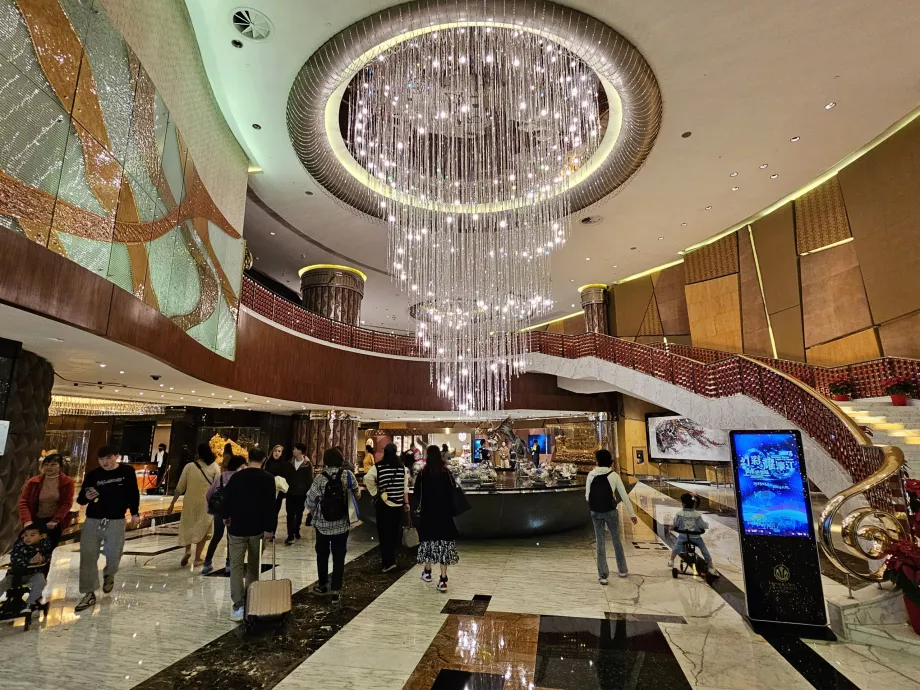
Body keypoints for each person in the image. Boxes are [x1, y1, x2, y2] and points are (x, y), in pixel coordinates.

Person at [74, 445, 140, 612]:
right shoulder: (93, 475)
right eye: (102, 459)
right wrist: (86, 497)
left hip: (116, 520)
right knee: (88, 557)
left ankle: (109, 573)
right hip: (93, 520)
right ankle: (89, 593)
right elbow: (81, 500)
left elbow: (133, 492)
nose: (106, 462)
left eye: (109, 458)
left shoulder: (127, 472)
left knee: (114, 554)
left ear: (116, 457)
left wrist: (135, 513)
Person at [221, 448, 277, 622]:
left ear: (248, 458)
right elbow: (271, 506)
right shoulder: (268, 479)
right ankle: (251, 600)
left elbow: (226, 499)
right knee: (253, 566)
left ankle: (238, 605)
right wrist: (270, 529)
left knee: (236, 567)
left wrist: (225, 516)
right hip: (257, 529)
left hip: (237, 528)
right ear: (264, 459)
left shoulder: (237, 477)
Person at [305, 448, 359, 603]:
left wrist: (316, 509)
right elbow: (357, 494)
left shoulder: (320, 478)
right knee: (339, 556)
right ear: (341, 459)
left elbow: (310, 501)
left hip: (322, 525)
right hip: (342, 524)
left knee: (322, 555)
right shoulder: (348, 475)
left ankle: (322, 585)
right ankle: (336, 590)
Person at [586, 449, 637, 584]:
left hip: (596, 512)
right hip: (610, 511)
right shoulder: (613, 475)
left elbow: (587, 496)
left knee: (600, 542)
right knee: (616, 540)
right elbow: (624, 496)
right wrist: (632, 513)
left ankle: (603, 575)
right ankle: (622, 569)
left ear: (597, 461)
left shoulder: (591, 475)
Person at [414, 445, 459, 593]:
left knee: (428, 542)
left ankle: (427, 573)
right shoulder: (445, 472)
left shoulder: (422, 473)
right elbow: (453, 491)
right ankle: (443, 580)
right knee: (443, 545)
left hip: (428, 514)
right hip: (444, 514)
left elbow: (416, 494)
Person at [167, 443, 220, 567]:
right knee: (203, 528)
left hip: (190, 501)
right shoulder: (215, 467)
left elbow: (180, 487)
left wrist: (172, 504)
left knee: (189, 525)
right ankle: (197, 558)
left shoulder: (189, 466)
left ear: (198, 453)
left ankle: (188, 550)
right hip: (206, 503)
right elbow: (217, 487)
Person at [365, 443, 410, 572]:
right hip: (398, 506)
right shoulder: (402, 468)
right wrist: (406, 503)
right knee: (395, 533)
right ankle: (393, 559)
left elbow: (368, 478)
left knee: (384, 534)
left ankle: (387, 562)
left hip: (384, 506)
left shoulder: (378, 467)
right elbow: (405, 488)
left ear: (385, 452)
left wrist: (375, 492)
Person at [201, 453, 246, 575]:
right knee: (231, 538)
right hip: (234, 512)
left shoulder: (221, 477)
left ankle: (207, 563)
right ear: (239, 466)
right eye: (244, 465)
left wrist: (212, 507)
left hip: (220, 511)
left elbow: (209, 494)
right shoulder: (241, 478)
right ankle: (229, 565)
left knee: (216, 536)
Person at [18, 454, 75, 547]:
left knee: (48, 550)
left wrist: (55, 520)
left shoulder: (67, 482)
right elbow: (23, 502)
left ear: (60, 466)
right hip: (35, 520)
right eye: (46, 464)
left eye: (53, 464)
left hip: (53, 522)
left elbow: (67, 503)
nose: (49, 467)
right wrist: (27, 520)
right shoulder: (33, 482)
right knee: (29, 550)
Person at [0, 525, 52, 613]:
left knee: (41, 582)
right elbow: (15, 559)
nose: (28, 538)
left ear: (41, 536)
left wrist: (42, 559)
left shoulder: (44, 545)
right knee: (2, 584)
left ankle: (29, 603)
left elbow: (47, 557)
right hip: (15, 575)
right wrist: (29, 561)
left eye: (32, 535)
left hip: (33, 574)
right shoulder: (19, 545)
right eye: (26, 535)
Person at [668, 492, 717, 575]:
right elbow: (702, 525)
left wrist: (673, 527)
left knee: (677, 546)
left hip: (683, 536)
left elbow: (676, 523)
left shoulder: (679, 514)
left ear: (683, 504)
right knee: (704, 550)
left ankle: (671, 560)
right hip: (696, 538)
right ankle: (711, 567)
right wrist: (705, 526)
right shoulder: (697, 514)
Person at [285, 443, 314, 545]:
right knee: (290, 514)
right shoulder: (289, 463)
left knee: (299, 513)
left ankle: (296, 529)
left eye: (295, 449)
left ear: (300, 451)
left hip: (301, 494)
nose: (293, 451)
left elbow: (310, 480)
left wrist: (309, 493)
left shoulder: (307, 465)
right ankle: (290, 534)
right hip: (290, 492)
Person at [264, 445, 289, 516]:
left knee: (275, 512)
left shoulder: (284, 464)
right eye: (275, 451)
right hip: (268, 489)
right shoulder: (267, 462)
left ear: (281, 453)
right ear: (272, 452)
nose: (277, 453)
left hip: (279, 491)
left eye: (279, 451)